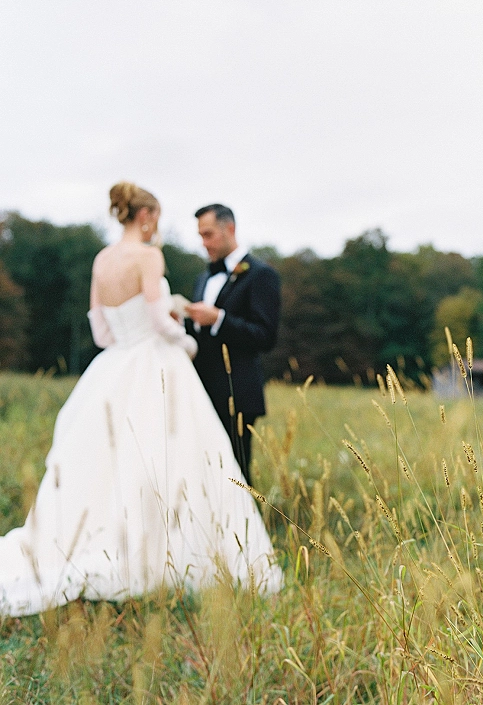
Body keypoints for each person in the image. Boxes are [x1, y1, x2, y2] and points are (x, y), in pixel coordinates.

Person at [0, 183, 281, 617]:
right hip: (155, 365)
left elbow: (100, 330)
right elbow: (159, 320)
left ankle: (100, 541)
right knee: (170, 455)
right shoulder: (149, 257)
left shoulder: (102, 260)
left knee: (112, 460)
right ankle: (167, 553)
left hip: (113, 367)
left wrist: (131, 341)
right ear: (146, 215)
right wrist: (182, 342)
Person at [185, 205, 281, 486]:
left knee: (235, 477)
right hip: (200, 391)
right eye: (200, 236)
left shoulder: (261, 275)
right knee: (201, 474)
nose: (204, 243)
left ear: (230, 229)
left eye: (209, 234)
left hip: (237, 394)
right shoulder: (203, 277)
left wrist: (220, 319)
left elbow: (265, 336)